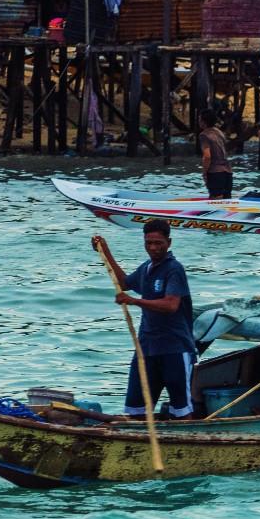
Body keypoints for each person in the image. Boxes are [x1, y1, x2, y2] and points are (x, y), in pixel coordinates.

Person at [98, 221, 197, 419]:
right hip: (147, 347)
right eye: (148, 243)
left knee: (181, 409)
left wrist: (135, 301)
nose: (152, 248)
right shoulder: (146, 268)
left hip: (174, 347)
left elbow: (171, 305)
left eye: (158, 243)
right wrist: (105, 252)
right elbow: (124, 284)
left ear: (168, 242)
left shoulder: (174, 269)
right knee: (136, 409)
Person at [197, 108, 232, 199]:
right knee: (226, 201)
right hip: (228, 171)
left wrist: (204, 173)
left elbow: (207, 156)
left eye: (199, 119)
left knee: (215, 201)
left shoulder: (204, 135)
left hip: (215, 172)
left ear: (203, 122)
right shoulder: (220, 132)